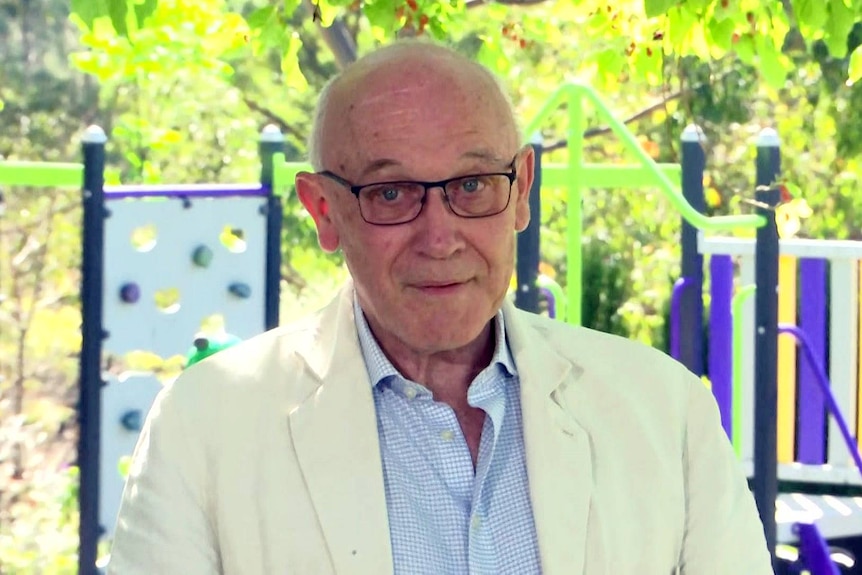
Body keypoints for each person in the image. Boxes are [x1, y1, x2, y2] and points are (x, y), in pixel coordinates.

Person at [107, 40, 773, 574]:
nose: (439, 235)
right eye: (391, 193)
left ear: (522, 192)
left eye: (473, 183)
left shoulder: (664, 413)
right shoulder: (205, 429)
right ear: (323, 211)